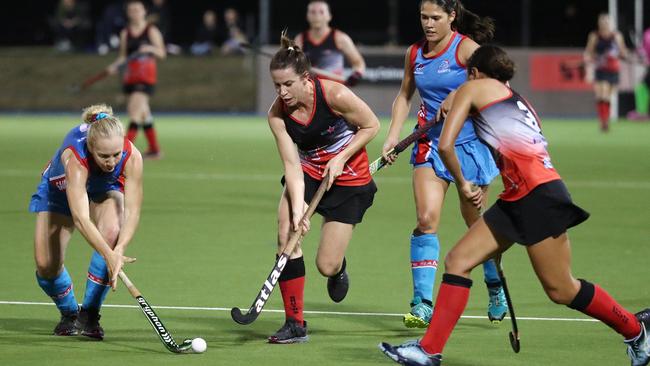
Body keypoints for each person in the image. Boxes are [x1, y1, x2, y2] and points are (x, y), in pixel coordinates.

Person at [379, 44, 650, 366]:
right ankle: (429, 350)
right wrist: (455, 107)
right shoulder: (517, 100)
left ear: (475, 72)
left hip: (536, 196)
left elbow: (446, 146)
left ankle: (637, 332)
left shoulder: (472, 87)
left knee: (562, 289)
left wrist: (464, 184)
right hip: (521, 195)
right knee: (459, 260)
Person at [380, 0, 505, 329]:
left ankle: (494, 283)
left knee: (476, 223)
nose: (428, 24)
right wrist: (392, 136)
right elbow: (405, 96)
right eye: (423, 16)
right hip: (430, 144)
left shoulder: (467, 50)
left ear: (452, 16)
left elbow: (497, 89)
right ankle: (422, 303)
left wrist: (460, 97)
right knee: (426, 219)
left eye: (436, 17)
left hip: (470, 145)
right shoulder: (414, 54)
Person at [265, 31, 380, 344]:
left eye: (288, 84)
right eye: (276, 85)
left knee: (325, 265)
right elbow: (291, 165)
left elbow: (371, 125)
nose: (282, 92)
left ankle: (339, 268)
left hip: (349, 176)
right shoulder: (278, 116)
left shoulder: (334, 95)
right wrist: (298, 206)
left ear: (305, 78)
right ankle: (295, 323)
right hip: (308, 172)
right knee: (287, 227)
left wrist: (341, 157)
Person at [30, 104, 141, 340]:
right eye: (103, 156)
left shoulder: (132, 156)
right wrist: (108, 255)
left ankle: (89, 314)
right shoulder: (76, 160)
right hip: (59, 191)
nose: (111, 162)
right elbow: (80, 218)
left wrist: (119, 249)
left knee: (112, 230)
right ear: (91, 148)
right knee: (46, 265)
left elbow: (133, 211)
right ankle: (70, 314)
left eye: (116, 154)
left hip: (103, 189)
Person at [107, 0, 166, 159]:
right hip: (130, 77)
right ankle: (154, 150)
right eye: (131, 10)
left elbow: (162, 53)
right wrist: (114, 66)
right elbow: (123, 57)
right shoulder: (125, 33)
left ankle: (123, 152)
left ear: (144, 11)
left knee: (134, 112)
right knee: (143, 113)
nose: (135, 12)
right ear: (128, 13)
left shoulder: (151, 31)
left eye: (137, 9)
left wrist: (150, 48)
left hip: (146, 77)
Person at [294, 0, 366, 86]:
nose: (317, 16)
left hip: (334, 91)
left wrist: (356, 75)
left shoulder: (340, 38)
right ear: (307, 16)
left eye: (321, 12)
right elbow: (293, 66)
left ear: (329, 16)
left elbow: (358, 63)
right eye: (313, 12)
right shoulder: (299, 39)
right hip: (310, 92)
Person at [584, 13, 628, 132]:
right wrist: (591, 60)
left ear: (611, 23)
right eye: (602, 22)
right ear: (599, 23)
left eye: (607, 22)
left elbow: (624, 52)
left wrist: (618, 54)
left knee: (607, 96)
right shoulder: (594, 36)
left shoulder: (617, 36)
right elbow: (589, 52)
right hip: (600, 69)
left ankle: (606, 119)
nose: (604, 24)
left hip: (613, 70)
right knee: (601, 94)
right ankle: (603, 121)